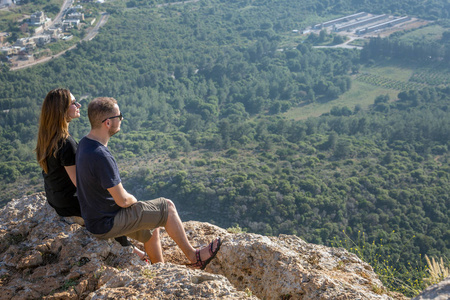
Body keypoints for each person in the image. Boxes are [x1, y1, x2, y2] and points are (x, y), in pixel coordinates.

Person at [76, 97, 221, 267]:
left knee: (152, 226)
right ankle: (194, 256)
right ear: (108, 123)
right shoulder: (101, 155)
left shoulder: (84, 144)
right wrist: (134, 202)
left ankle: (159, 268)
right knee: (167, 207)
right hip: (107, 222)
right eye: (119, 116)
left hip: (95, 219)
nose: (121, 119)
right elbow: (122, 200)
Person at [35, 88, 145, 259]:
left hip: (55, 199)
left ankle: (132, 249)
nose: (78, 105)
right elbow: (81, 183)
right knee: (109, 206)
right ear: (61, 109)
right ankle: (131, 252)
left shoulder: (47, 137)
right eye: (73, 103)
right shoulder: (66, 143)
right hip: (69, 205)